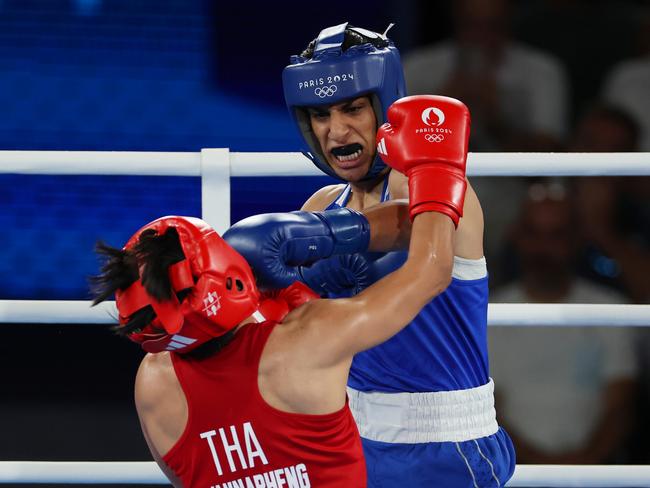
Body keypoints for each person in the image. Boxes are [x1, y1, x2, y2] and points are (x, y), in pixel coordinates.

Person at [91, 94, 469, 487]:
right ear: (227, 282)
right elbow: (433, 269)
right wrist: (435, 169)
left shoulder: (152, 385)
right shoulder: (308, 340)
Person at [232, 23, 515, 487]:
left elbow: (410, 227)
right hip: (348, 436)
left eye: (352, 108)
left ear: (385, 108)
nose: (336, 130)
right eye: (320, 115)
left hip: (446, 445)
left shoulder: (441, 190)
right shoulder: (321, 206)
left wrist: (320, 236)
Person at [489, 183, 637, 464]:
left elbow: (621, 406)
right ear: (517, 237)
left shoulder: (610, 308)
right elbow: (488, 410)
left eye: (556, 235)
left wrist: (582, 467)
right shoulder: (490, 313)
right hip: (516, 474)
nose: (543, 248)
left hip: (598, 476)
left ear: (576, 239)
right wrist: (544, 469)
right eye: (534, 233)